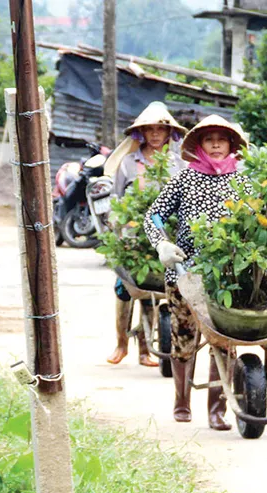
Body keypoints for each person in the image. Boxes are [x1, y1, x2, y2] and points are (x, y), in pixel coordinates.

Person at [144, 115, 254, 430]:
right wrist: (162, 245)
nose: (216, 144)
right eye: (209, 139)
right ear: (200, 145)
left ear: (232, 144)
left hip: (226, 278)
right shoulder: (185, 178)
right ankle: (181, 400)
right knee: (184, 337)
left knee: (223, 340)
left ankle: (217, 410)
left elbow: (257, 223)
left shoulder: (242, 182)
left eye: (222, 138)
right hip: (184, 273)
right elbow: (154, 215)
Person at [103, 102, 186, 366]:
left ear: (168, 133)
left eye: (160, 129)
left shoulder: (178, 165)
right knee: (126, 287)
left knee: (156, 289)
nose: (155, 134)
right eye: (149, 129)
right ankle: (121, 343)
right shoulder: (128, 163)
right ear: (141, 132)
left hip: (165, 235)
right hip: (132, 236)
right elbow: (115, 199)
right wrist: (119, 225)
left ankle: (144, 349)